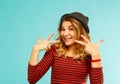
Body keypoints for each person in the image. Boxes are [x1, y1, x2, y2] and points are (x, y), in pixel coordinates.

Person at [28, 12, 104, 84]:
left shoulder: (89, 55)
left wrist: (95, 55)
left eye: (71, 29)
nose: (65, 34)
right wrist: (35, 50)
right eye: (63, 29)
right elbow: (32, 79)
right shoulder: (54, 50)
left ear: (81, 32)